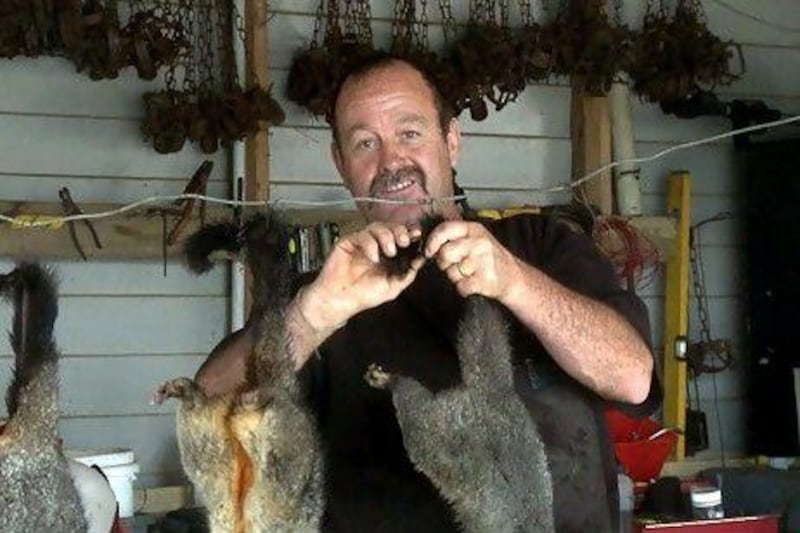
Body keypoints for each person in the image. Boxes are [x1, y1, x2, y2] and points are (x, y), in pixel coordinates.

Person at [196, 53, 661, 532]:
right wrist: (312, 316)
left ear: (451, 142)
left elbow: (631, 377)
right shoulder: (325, 293)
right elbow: (208, 404)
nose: (391, 161)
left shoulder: (541, 248)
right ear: (341, 164)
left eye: (410, 133)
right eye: (364, 143)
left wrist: (515, 282)